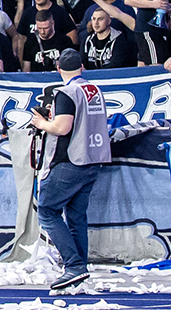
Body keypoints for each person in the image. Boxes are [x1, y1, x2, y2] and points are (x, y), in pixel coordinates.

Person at [29, 47, 111, 292]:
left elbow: (63, 128)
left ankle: (74, 265)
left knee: (47, 210)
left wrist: (42, 123)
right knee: (76, 216)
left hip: (71, 160)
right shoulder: (94, 90)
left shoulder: (66, 92)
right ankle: (80, 267)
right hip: (93, 159)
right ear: (82, 67)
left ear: (58, 69)